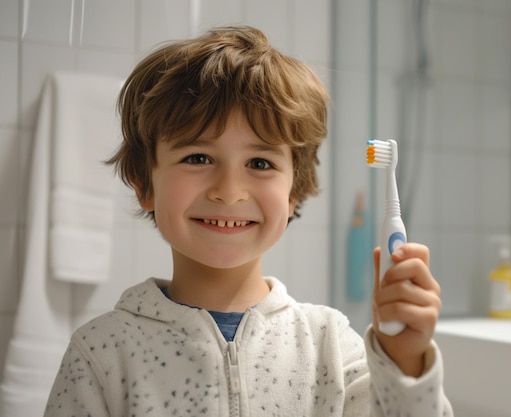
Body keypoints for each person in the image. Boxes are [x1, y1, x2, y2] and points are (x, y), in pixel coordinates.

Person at [44, 25, 453, 417]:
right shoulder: (101, 353)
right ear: (144, 183)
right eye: (198, 158)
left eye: (260, 162)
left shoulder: (330, 344)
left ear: (294, 192)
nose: (229, 190)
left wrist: (405, 363)